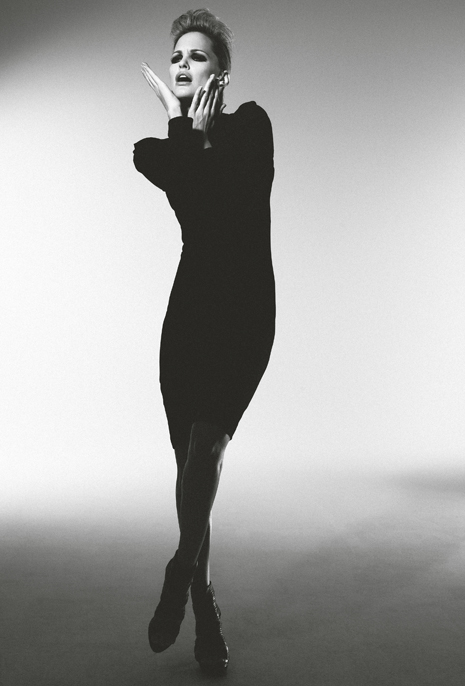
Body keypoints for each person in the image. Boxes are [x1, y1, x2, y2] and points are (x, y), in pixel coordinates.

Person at [133, 8, 275, 674]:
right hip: (189, 313)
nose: (183, 65)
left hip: (244, 309)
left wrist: (198, 132)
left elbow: (234, 199)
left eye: (197, 55)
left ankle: (179, 570)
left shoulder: (252, 126)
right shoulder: (155, 150)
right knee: (189, 465)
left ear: (222, 70)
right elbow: (192, 192)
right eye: (176, 57)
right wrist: (180, 122)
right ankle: (204, 602)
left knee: (209, 442)